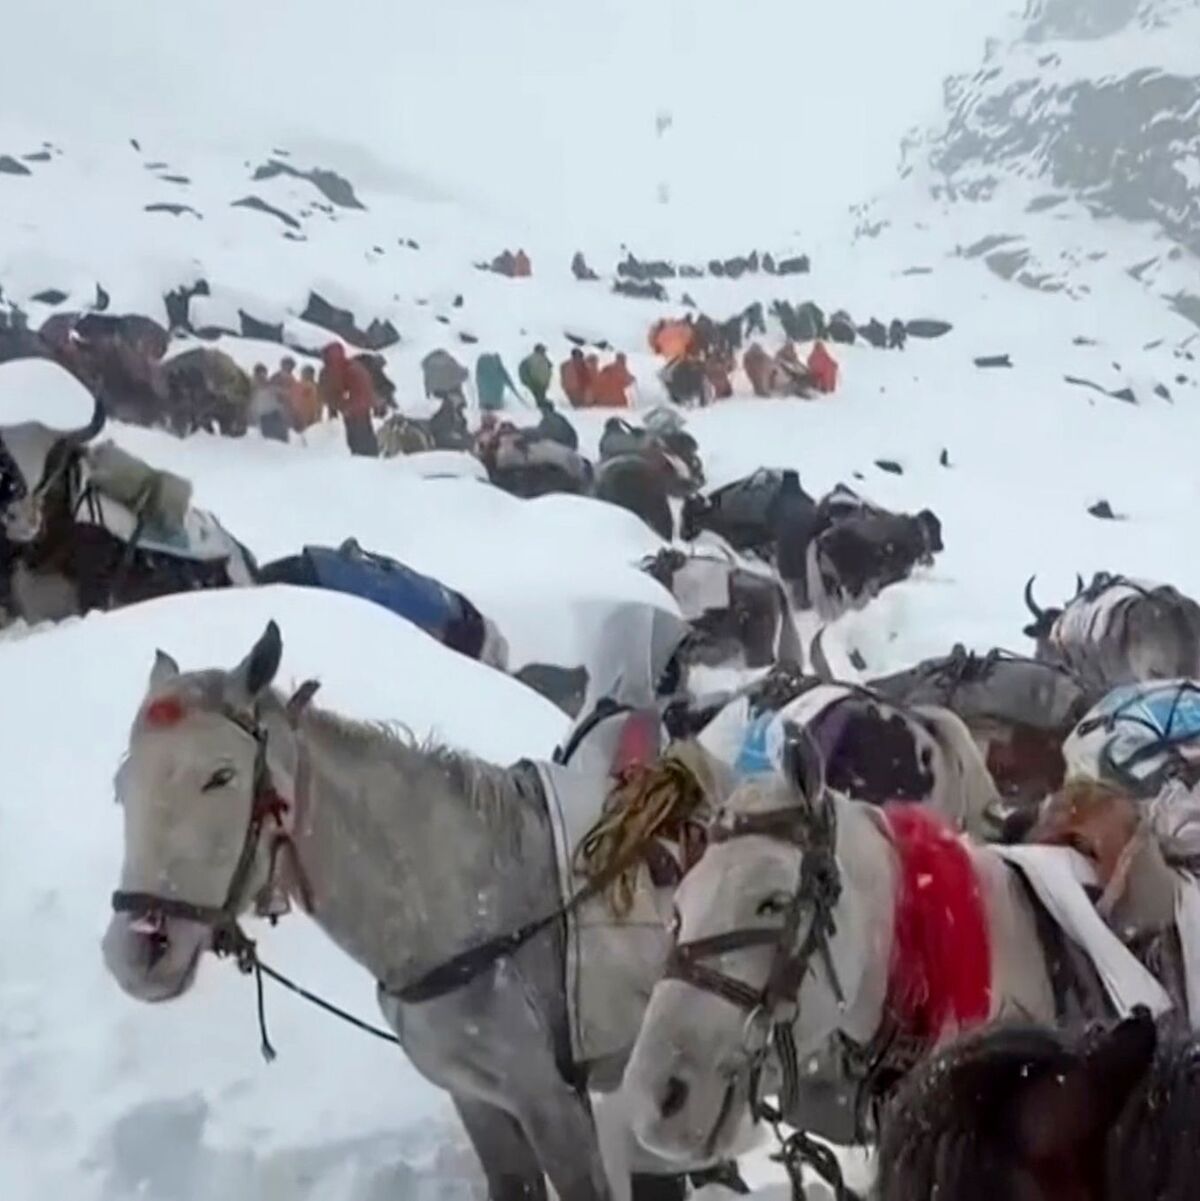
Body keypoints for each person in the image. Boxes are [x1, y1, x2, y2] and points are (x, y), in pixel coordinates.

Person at [320, 342, 379, 456]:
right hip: (360, 409)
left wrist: (345, 407)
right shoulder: (352, 367)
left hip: (354, 410)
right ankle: (370, 460)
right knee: (364, 437)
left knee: (358, 439)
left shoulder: (342, 369)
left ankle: (364, 461)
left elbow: (336, 389)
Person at [250, 362, 289, 442]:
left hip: (275, 415)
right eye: (259, 374)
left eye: (263, 373)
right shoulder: (252, 388)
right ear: (255, 374)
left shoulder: (271, 385)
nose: (262, 376)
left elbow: (284, 396)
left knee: (281, 440)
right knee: (270, 442)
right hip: (263, 418)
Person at [292, 363, 322, 429]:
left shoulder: (317, 387)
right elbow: (293, 401)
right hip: (298, 417)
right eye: (306, 373)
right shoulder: (297, 385)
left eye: (310, 373)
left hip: (312, 417)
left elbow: (320, 403)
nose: (307, 375)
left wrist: (318, 417)